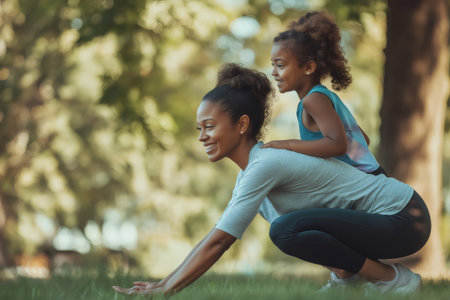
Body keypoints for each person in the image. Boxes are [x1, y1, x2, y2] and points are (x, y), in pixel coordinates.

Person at [113, 63, 430, 296]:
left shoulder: (266, 164)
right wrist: (164, 282)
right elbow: (215, 234)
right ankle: (347, 282)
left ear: (242, 124)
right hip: (385, 222)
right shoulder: (251, 178)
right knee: (290, 226)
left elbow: (222, 241)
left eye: (209, 126)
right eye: (199, 129)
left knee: (285, 230)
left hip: (403, 217)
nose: (202, 137)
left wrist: (167, 291)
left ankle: (392, 279)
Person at [263, 11, 386, 176]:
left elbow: (338, 145)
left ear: (308, 68)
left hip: (366, 182)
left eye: (280, 65)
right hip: (374, 174)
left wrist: (288, 145)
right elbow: (364, 140)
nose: (273, 72)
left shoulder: (313, 100)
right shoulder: (325, 97)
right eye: (273, 64)